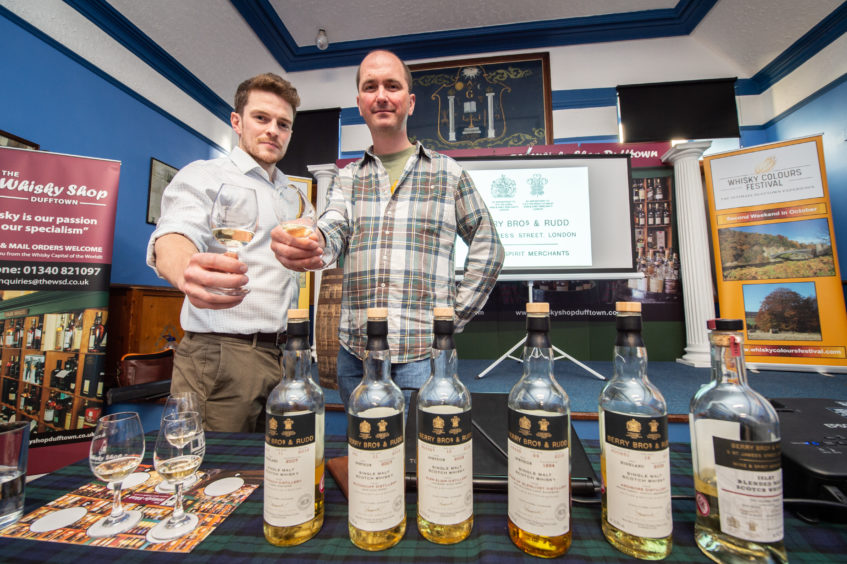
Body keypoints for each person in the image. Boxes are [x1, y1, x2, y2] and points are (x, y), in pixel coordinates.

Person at [271, 50, 504, 412]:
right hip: (356, 356)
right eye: (371, 87)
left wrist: (455, 316)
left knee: (418, 458)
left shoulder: (449, 174)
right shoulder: (347, 178)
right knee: (365, 452)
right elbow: (332, 230)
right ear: (360, 104)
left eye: (392, 86)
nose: (381, 95)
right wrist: (312, 241)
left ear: (409, 103)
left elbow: (489, 246)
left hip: (422, 355)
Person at [147, 73, 301, 432]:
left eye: (283, 124)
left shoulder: (289, 192)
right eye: (261, 118)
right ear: (237, 121)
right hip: (220, 356)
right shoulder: (204, 175)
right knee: (212, 474)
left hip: (282, 357)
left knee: (272, 473)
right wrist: (188, 271)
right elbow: (173, 234)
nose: (273, 130)